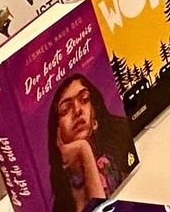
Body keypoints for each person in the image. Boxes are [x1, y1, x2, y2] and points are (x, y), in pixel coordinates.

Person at [49, 74, 133, 212]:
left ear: (95, 113)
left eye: (84, 99)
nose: (78, 110)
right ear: (56, 130)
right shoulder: (61, 193)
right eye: (65, 110)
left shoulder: (118, 155)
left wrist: (84, 150)